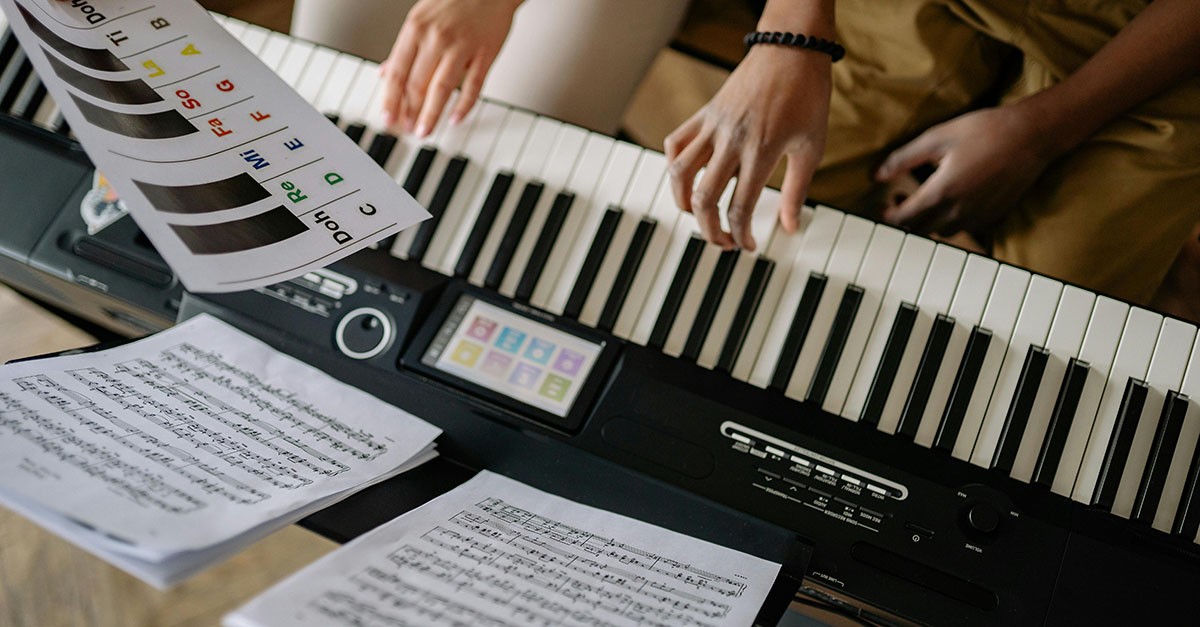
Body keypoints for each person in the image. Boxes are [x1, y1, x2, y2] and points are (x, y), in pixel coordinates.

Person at [294, 0, 1200, 314]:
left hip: (1150, 48)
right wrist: (789, 39)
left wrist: (1047, 128)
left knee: (1039, 311)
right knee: (720, 215)